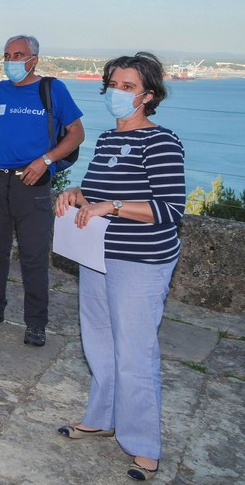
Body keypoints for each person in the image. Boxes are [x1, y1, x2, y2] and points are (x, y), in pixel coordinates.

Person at [55, 52, 184, 482]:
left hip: (141, 262)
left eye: (128, 87)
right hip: (98, 257)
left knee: (135, 352)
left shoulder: (161, 141)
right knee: (99, 342)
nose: (117, 92)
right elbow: (96, 193)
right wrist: (77, 193)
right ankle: (102, 418)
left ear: (148, 95)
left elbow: (169, 209)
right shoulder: (110, 140)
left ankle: (144, 445)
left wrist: (114, 206)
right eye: (113, 84)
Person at [0, 34, 84, 347]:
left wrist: (46, 160)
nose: (12, 61)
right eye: (8, 55)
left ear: (34, 59)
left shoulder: (52, 90)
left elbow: (77, 134)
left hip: (34, 184)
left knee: (33, 256)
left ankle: (36, 324)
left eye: (19, 55)